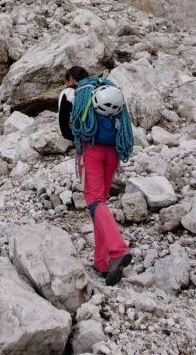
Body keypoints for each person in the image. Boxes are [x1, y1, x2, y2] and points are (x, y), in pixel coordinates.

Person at [71, 75, 134, 285]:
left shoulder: (83, 93)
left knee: (94, 200)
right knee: (101, 204)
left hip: (93, 151)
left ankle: (118, 250)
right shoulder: (113, 92)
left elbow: (74, 124)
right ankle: (102, 262)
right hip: (113, 153)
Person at [58, 65, 88, 142]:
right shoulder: (91, 89)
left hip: (80, 137)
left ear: (71, 78)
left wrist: (71, 139)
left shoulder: (67, 93)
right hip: (95, 133)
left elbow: (63, 121)